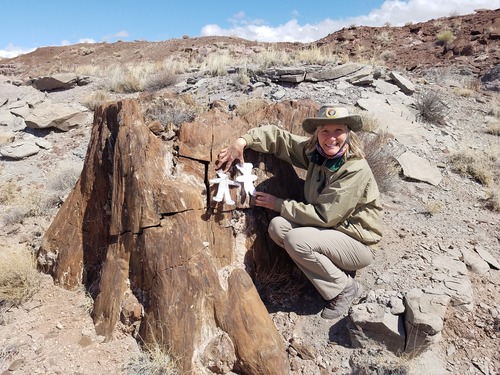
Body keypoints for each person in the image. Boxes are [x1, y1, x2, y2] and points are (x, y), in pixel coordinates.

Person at [215, 104, 383, 319]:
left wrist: (278, 204)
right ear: (317, 134)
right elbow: (279, 139)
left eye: (338, 130)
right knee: (278, 227)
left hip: (357, 243)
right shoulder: (317, 154)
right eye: (325, 131)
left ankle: (344, 288)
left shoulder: (354, 169)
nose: (331, 138)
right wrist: (243, 141)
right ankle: (325, 273)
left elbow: (325, 216)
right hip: (331, 234)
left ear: (348, 133)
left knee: (296, 239)